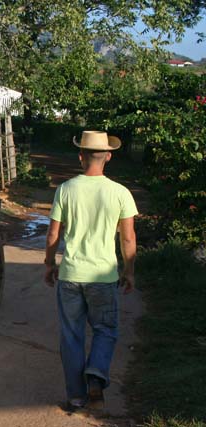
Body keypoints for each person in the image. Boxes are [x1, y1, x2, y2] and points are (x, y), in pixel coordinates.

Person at [44, 130, 137, 413]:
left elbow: (52, 235)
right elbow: (128, 238)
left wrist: (50, 264)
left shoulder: (66, 189)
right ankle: (96, 376)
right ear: (108, 156)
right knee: (105, 330)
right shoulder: (120, 193)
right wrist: (129, 270)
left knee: (71, 335)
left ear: (80, 156)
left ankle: (75, 396)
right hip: (103, 277)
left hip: (71, 275)